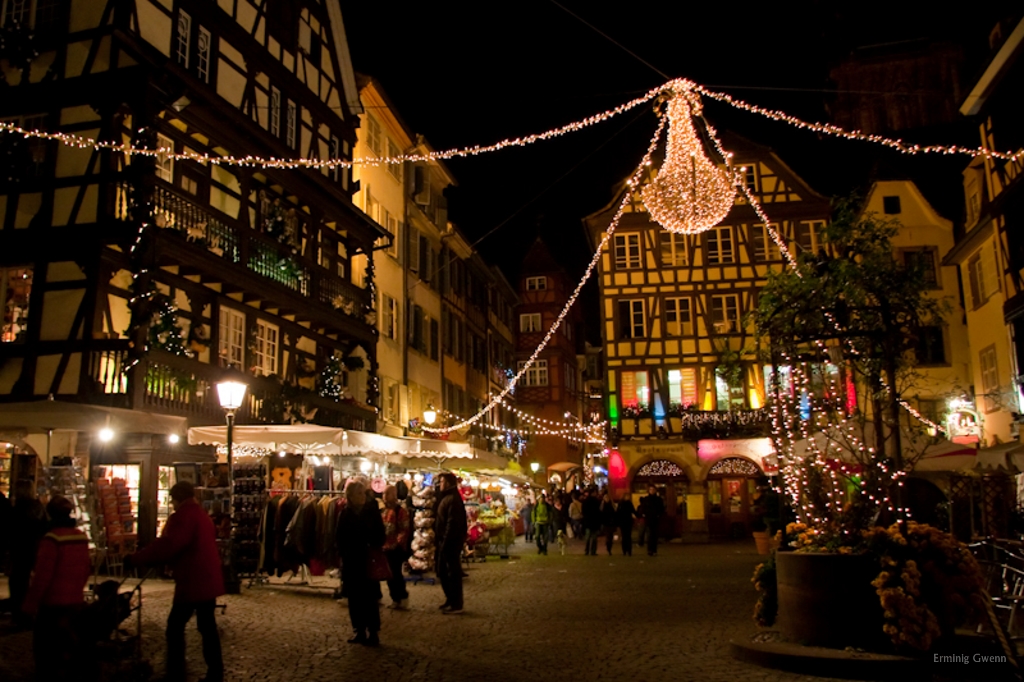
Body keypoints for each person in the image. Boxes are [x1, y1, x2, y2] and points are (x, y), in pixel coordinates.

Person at [129, 481, 224, 682]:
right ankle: (214, 670)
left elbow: (169, 545)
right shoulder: (201, 515)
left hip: (192, 580)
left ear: (177, 498)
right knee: (207, 626)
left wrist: (138, 559)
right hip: (206, 578)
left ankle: (176, 669)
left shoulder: (183, 517)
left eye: (172, 499)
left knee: (175, 625)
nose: (171, 504)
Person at [22, 495, 94, 680]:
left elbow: (42, 576)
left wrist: (29, 605)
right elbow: (86, 568)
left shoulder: (51, 539)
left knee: (47, 653)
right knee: (70, 649)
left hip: (52, 605)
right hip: (75, 602)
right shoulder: (80, 537)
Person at [336, 480, 385, 645]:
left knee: (370, 598)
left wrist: (373, 545)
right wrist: (343, 556)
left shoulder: (371, 512)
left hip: (367, 560)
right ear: (350, 496)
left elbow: (380, 533)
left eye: (363, 493)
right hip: (352, 561)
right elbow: (339, 538)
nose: (362, 497)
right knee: (354, 598)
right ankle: (359, 630)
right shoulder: (345, 513)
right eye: (359, 493)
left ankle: (373, 631)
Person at [8, 479, 46, 626]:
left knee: (18, 582)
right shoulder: (38, 507)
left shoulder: (18, 509)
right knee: (28, 581)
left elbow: (13, 530)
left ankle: (20, 613)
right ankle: (29, 612)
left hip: (21, 548)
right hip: (35, 548)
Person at [434, 472, 467, 614]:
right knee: (444, 571)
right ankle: (450, 599)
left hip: (450, 541)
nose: (439, 484)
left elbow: (451, 523)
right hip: (446, 540)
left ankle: (455, 602)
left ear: (447, 483)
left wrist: (445, 541)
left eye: (441, 482)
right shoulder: (447, 497)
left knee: (450, 572)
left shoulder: (453, 499)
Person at [381, 484, 411, 610]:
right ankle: (395, 598)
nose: (384, 496)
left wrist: (397, 543)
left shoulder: (400, 511)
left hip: (396, 548)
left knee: (396, 574)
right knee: (389, 575)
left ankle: (401, 596)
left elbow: (404, 529)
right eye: (384, 494)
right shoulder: (383, 511)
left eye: (387, 493)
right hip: (385, 547)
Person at [642, 485, 666, 556]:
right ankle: (649, 550)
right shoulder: (646, 499)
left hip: (656, 519)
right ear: (649, 491)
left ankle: (654, 550)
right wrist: (644, 514)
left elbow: (662, 509)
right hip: (649, 520)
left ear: (655, 490)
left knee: (655, 535)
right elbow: (643, 508)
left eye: (653, 489)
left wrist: (659, 515)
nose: (652, 491)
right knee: (649, 535)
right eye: (650, 489)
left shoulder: (659, 499)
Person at [581, 489, 601, 556]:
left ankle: (587, 551)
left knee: (588, 537)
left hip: (588, 522)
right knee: (594, 538)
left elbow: (583, 512)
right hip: (594, 522)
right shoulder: (596, 501)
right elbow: (598, 513)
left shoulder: (586, 501)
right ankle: (593, 551)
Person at [616, 491, 636, 556]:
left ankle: (629, 550)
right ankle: (625, 550)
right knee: (625, 536)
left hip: (628, 522)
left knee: (628, 537)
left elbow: (633, 511)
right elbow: (618, 513)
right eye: (627, 496)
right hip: (623, 522)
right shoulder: (621, 504)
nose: (628, 497)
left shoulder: (629, 503)